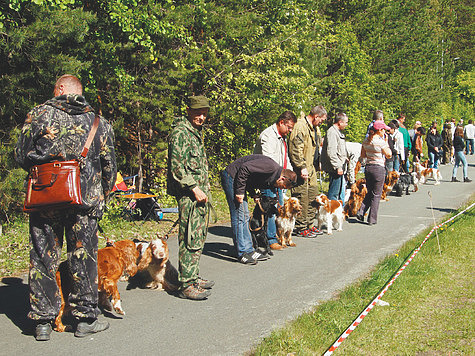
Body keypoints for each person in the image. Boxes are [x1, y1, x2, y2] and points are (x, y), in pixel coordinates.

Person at [15, 75, 117, 341]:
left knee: (42, 257)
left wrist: (45, 163)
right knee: (83, 256)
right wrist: (102, 196)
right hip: (85, 200)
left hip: (46, 196)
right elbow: (110, 166)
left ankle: (43, 322)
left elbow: (20, 154)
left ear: (60, 89)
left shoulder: (38, 115)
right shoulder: (99, 122)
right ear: (79, 93)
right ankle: (84, 319)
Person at [167, 95, 214, 300]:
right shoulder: (180, 133)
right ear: (188, 111)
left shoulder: (195, 133)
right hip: (190, 196)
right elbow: (177, 168)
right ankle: (186, 284)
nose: (201, 117)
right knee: (189, 237)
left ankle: (192, 276)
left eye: (204, 113)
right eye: (197, 112)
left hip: (201, 195)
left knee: (199, 236)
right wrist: (194, 188)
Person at [220, 155, 297, 264]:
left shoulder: (273, 174)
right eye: (283, 186)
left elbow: (251, 177)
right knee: (239, 216)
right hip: (231, 177)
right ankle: (242, 252)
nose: (281, 189)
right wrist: (240, 191)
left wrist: (253, 194)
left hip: (239, 180)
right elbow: (245, 169)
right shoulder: (271, 167)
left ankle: (249, 249)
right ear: (282, 178)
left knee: (245, 216)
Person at [253, 111, 296, 251]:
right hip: (268, 177)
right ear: (281, 122)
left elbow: (285, 159)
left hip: (279, 177)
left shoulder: (282, 138)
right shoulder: (268, 135)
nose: (290, 131)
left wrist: (290, 173)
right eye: (288, 127)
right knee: (270, 209)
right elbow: (268, 160)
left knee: (278, 208)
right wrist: (279, 176)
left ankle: (276, 235)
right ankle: (270, 238)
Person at [288, 106, 327, 237]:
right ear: (316, 116)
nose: (321, 123)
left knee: (313, 196)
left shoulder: (315, 128)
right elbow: (295, 148)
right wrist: (300, 166)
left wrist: (319, 163)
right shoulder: (300, 126)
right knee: (302, 197)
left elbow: (316, 148)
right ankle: (301, 226)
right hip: (303, 169)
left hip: (312, 168)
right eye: (321, 120)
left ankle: (310, 224)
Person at [356, 120, 392, 225]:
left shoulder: (366, 141)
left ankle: (361, 211)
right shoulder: (381, 142)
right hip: (378, 169)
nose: (384, 132)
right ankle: (372, 219)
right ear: (379, 130)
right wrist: (386, 143)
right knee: (376, 194)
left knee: (370, 191)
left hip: (368, 167)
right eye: (383, 130)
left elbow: (363, 155)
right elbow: (389, 154)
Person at [320, 112, 349, 202]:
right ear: (340, 122)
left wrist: (344, 158)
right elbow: (331, 151)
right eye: (346, 122)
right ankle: (331, 213)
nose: (346, 125)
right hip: (335, 168)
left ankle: (337, 213)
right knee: (334, 193)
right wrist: (337, 166)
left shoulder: (337, 132)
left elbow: (338, 149)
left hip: (339, 166)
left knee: (339, 192)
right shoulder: (332, 132)